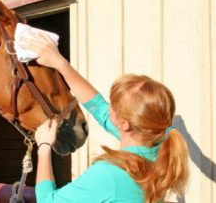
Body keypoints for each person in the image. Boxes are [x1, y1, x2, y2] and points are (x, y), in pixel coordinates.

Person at [21, 33, 189, 203]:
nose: (107, 107)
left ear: (124, 125)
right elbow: (98, 106)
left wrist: (43, 148)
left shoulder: (109, 175)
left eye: (113, 105)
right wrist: (61, 64)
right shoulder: (160, 146)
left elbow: (47, 201)